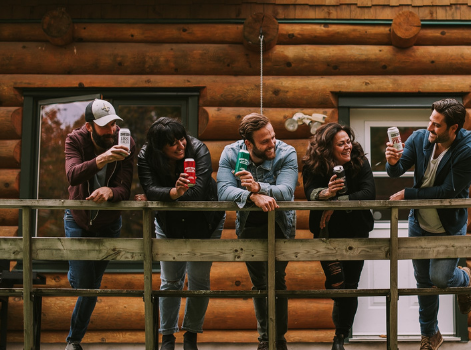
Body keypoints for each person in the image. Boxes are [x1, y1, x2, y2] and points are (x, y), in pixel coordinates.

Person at [385, 99, 471, 350]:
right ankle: (430, 335)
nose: (430, 128)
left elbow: (448, 191)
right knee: (423, 281)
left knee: (440, 277)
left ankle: (464, 279)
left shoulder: (468, 152)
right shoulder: (419, 139)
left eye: (437, 125)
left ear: (453, 128)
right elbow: (396, 171)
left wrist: (408, 195)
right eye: (430, 121)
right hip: (419, 222)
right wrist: (392, 162)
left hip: (449, 224)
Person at [136, 117, 225, 350]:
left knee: (198, 281)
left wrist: (163, 195)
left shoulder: (199, 149)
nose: (180, 146)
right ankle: (167, 338)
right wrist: (172, 192)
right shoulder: (146, 155)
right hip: (169, 224)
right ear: (159, 147)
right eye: (172, 143)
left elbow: (196, 194)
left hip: (205, 223)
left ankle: (191, 337)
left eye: (181, 139)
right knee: (170, 282)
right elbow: (149, 188)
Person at [217, 113, 298, 350]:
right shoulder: (231, 153)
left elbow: (285, 190)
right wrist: (252, 196)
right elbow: (223, 190)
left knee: (278, 281)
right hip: (250, 224)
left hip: (281, 224)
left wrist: (259, 186)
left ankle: (279, 340)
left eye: (273, 136)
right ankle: (265, 339)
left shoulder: (287, 152)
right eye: (265, 141)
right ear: (249, 144)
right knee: (260, 283)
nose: (272, 143)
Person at [63, 99, 135, 350]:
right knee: (85, 285)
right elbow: (72, 175)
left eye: (114, 123)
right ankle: (74, 341)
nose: (111, 130)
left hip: (108, 223)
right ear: (89, 126)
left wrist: (110, 192)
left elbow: (124, 188)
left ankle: (73, 341)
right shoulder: (75, 140)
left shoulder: (125, 143)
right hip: (78, 219)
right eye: (105, 126)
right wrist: (102, 159)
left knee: (90, 287)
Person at [301, 123, 375, 350]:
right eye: (341, 144)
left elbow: (369, 193)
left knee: (350, 285)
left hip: (356, 232)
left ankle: (339, 338)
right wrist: (327, 194)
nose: (347, 146)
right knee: (338, 283)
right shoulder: (312, 164)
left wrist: (335, 204)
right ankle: (340, 332)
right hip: (327, 234)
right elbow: (310, 193)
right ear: (327, 148)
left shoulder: (359, 159)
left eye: (348, 141)